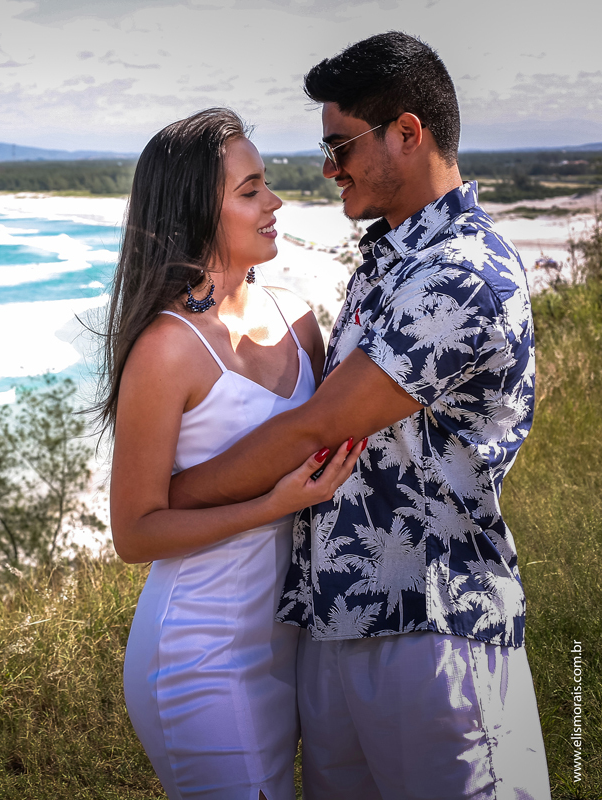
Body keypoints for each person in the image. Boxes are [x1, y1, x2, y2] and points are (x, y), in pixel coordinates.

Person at [167, 33, 551, 799]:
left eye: (340, 144)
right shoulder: (392, 262)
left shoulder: (461, 275)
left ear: (407, 134)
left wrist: (174, 498)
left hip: (433, 630)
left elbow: (317, 426)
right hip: (341, 624)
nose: (326, 167)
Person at [103, 107, 367, 800]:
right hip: (201, 649)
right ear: (198, 211)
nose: (274, 202)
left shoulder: (298, 318)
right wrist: (270, 507)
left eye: (266, 184)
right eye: (250, 191)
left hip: (293, 647)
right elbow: (135, 532)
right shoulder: (166, 350)